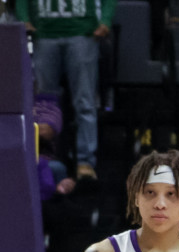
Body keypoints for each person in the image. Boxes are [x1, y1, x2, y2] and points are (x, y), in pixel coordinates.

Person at [14, 0, 112, 178]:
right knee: (44, 103)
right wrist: (23, 18)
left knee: (84, 102)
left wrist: (106, 20)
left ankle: (85, 161)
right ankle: (45, 160)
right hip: (44, 34)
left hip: (82, 33)